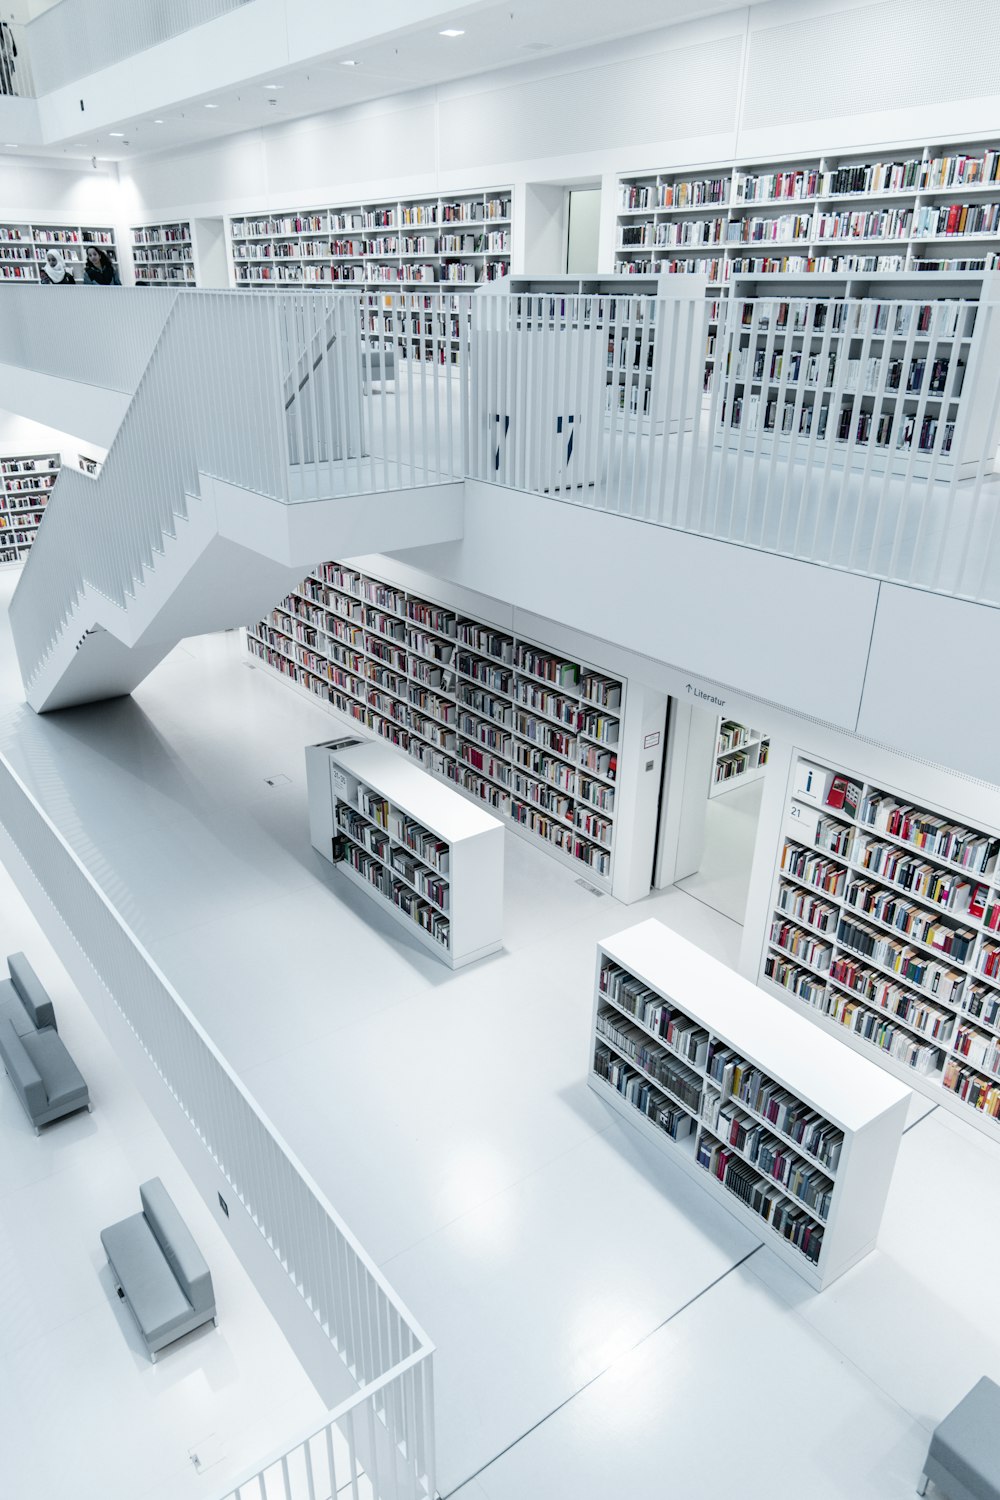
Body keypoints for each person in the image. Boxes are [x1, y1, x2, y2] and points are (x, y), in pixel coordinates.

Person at [0, 22, 17, 97]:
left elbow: (9, 46)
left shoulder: (4, 28)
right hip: (6, 59)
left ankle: (8, 93)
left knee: (6, 85)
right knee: (5, 84)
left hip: (6, 59)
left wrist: (2, 55)